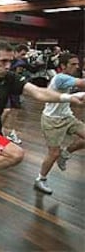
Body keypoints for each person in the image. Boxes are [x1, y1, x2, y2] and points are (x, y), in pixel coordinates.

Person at [0, 40, 84, 236]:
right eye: (2, 61)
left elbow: (38, 93)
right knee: (16, 154)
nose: (8, 66)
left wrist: (67, 98)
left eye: (10, 61)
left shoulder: (9, 78)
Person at [34, 53, 85, 194]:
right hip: (52, 120)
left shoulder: (68, 79)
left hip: (67, 116)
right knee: (53, 153)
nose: (77, 66)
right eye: (73, 64)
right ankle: (40, 179)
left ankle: (66, 153)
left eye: (77, 64)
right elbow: (82, 84)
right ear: (63, 66)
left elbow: (72, 96)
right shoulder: (61, 77)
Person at [1, 44, 29, 144]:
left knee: (15, 111)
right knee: (6, 110)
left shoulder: (21, 63)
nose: (23, 56)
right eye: (22, 54)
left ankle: (12, 133)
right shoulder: (7, 61)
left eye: (25, 55)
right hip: (4, 88)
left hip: (14, 90)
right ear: (16, 52)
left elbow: (18, 76)